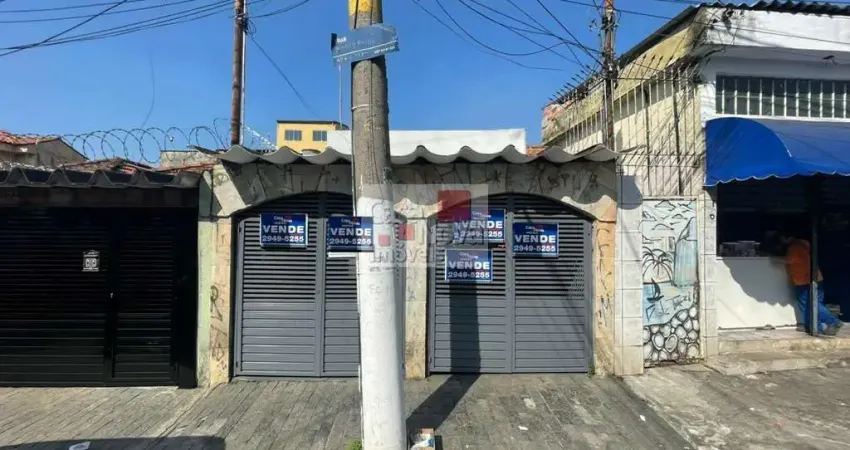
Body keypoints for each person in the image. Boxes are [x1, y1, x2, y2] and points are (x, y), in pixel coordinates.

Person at [780, 232, 844, 335]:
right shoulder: (804, 245)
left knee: (809, 304)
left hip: (804, 280)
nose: (782, 241)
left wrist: (776, 260)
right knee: (815, 303)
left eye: (782, 238)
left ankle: (833, 322)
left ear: (789, 237)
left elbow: (788, 260)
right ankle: (815, 327)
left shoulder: (795, 247)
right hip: (815, 278)